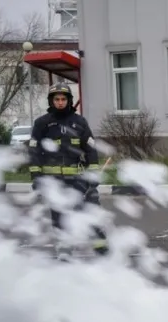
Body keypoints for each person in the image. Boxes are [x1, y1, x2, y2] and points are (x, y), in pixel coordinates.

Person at [28, 81, 107, 258]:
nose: (60, 102)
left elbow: (90, 150)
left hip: (79, 179)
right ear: (51, 101)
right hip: (53, 181)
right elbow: (33, 152)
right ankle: (65, 249)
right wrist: (36, 177)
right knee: (59, 216)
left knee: (90, 209)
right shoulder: (42, 124)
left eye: (64, 99)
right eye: (57, 99)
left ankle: (100, 245)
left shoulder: (80, 122)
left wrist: (93, 175)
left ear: (69, 101)